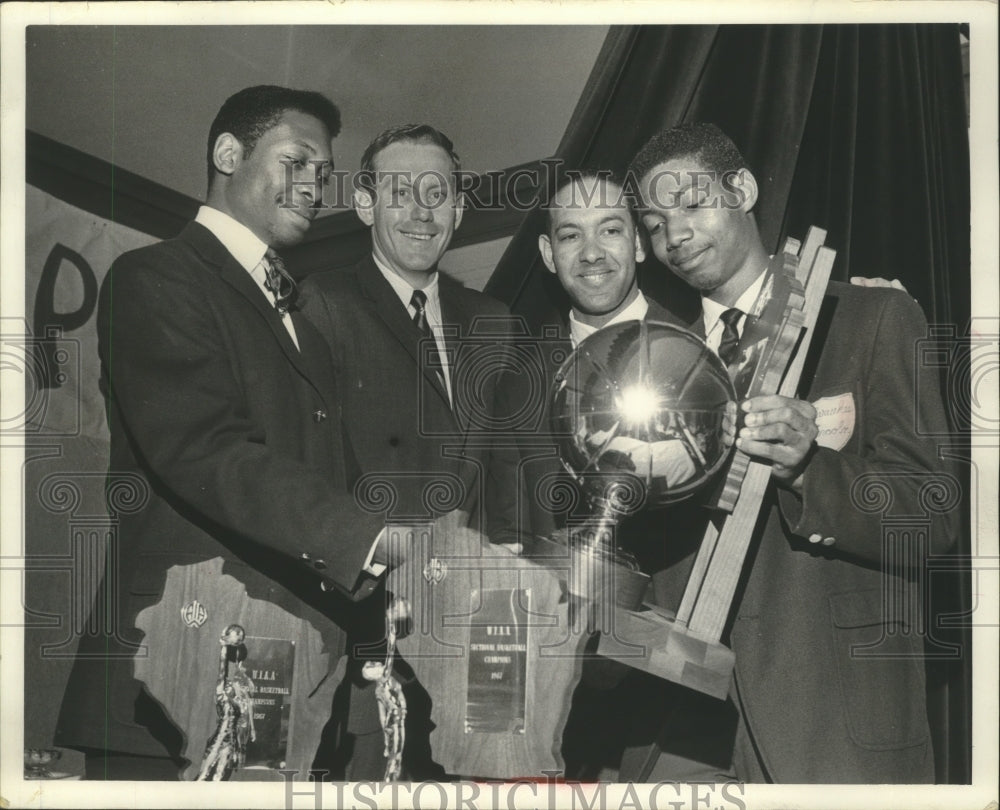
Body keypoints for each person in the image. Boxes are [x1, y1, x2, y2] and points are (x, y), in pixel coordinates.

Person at [54, 85, 392, 780]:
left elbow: (327, 485)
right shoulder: (155, 277)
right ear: (228, 153)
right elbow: (206, 449)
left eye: (324, 175)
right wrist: (372, 541)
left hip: (282, 676)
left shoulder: (307, 325)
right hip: (175, 663)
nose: (314, 188)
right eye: (296, 161)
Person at [619, 122, 956, 783]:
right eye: (655, 226)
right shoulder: (657, 364)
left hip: (829, 718)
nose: (675, 237)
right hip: (689, 726)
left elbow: (932, 516)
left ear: (740, 188)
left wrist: (809, 468)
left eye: (690, 205)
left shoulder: (872, 318)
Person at [298, 124, 512, 780]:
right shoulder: (316, 308)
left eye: (437, 191)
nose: (422, 210)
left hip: (488, 643)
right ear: (365, 204)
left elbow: (509, 482)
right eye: (400, 191)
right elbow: (302, 483)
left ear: (459, 210)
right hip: (368, 641)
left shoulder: (496, 322)